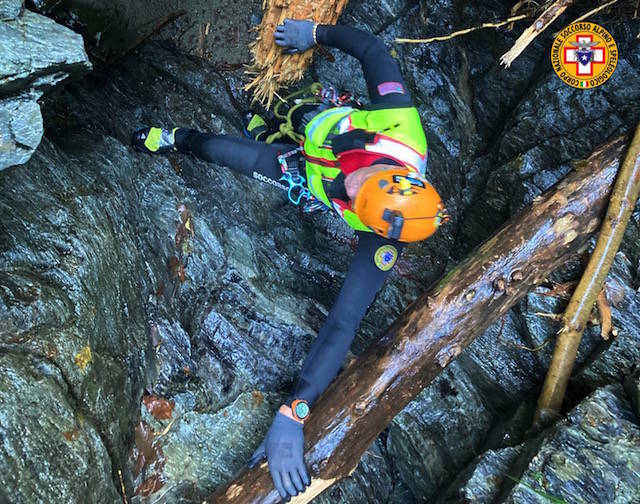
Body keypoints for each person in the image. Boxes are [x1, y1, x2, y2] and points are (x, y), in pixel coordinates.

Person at [132, 18, 447, 501]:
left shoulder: (382, 238)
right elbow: (374, 52)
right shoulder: (400, 126)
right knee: (295, 111)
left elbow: (343, 324)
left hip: (303, 171)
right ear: (392, 171)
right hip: (327, 123)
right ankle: (250, 121)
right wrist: (316, 33)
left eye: (355, 200)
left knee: (228, 152)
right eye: (362, 185)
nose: (352, 185)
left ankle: (183, 138)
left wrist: (294, 412)